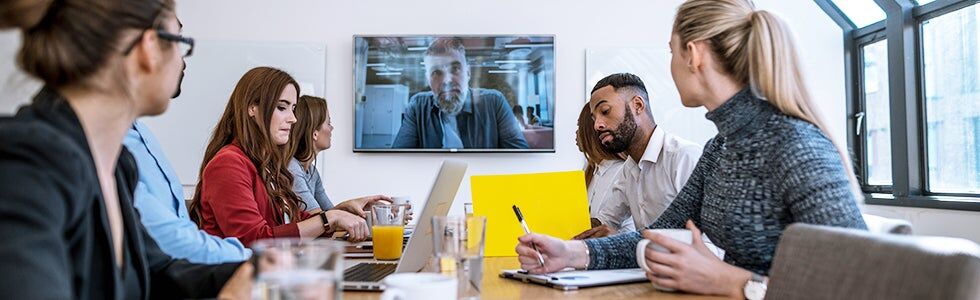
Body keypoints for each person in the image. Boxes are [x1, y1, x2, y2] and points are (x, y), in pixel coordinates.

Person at [516, 0, 867, 297]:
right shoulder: (721, 147)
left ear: (694, 55)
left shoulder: (795, 145)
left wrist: (736, 282)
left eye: (672, 52)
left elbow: (858, 282)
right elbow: (659, 233)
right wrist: (570, 253)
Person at [0, 0, 252, 298]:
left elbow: (160, 272)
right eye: (180, 42)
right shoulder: (28, 163)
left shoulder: (117, 166)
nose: (182, 60)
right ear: (149, 48)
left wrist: (259, 273)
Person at [189, 67, 370, 246]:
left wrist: (341, 213)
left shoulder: (265, 164)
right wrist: (329, 218)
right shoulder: (228, 164)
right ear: (252, 108)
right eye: (282, 107)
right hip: (242, 273)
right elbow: (255, 241)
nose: (293, 119)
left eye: (293, 109)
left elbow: (294, 222)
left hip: (271, 270)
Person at [123, 19, 251, 265]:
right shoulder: (109, 146)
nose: (293, 119)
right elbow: (170, 241)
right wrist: (260, 261)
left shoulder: (143, 134)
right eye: (179, 43)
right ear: (148, 49)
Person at [572, 73, 703, 239]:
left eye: (605, 111)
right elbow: (607, 220)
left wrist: (623, 240)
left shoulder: (684, 157)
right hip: (649, 263)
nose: (597, 125)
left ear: (638, 105)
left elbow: (702, 236)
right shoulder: (629, 168)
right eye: (594, 118)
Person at [391, 37, 528, 149]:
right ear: (428, 80)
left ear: (468, 73)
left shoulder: (494, 102)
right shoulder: (418, 106)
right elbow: (398, 160)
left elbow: (520, 159)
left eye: (455, 68)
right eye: (436, 72)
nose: (446, 81)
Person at [286, 95, 392, 217]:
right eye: (328, 123)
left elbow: (328, 215)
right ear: (314, 133)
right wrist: (349, 205)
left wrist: (362, 208)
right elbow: (320, 220)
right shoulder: (292, 168)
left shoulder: (312, 172)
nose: (332, 128)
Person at [571, 102, 633, 239]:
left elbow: (627, 230)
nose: (576, 133)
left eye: (579, 126)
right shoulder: (589, 169)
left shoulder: (623, 171)